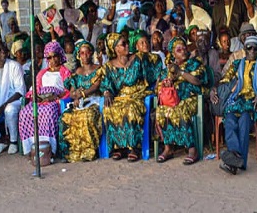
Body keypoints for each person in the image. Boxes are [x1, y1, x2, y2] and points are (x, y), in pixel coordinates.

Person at [214, 36, 257, 175]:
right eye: (249, 47)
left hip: (254, 101)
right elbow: (225, 80)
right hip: (237, 100)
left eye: (255, 48)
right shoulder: (237, 64)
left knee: (245, 120)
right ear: (244, 49)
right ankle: (236, 156)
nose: (252, 50)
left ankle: (237, 162)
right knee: (229, 119)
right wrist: (217, 88)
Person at [96, 33, 152, 162]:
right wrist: (107, 92)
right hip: (119, 97)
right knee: (109, 109)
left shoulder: (137, 59)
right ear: (115, 48)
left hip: (136, 95)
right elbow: (105, 84)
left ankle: (134, 147)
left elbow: (150, 74)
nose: (127, 45)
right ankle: (119, 147)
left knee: (131, 109)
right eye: (123, 44)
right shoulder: (109, 66)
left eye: (127, 43)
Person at [155, 37, 208, 165]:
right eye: (179, 50)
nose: (183, 51)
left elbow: (197, 80)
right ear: (173, 53)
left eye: (184, 48)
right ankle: (168, 148)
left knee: (181, 110)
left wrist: (180, 72)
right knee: (162, 111)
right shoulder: (168, 68)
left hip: (192, 98)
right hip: (173, 101)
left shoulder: (194, 63)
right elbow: (158, 88)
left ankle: (192, 149)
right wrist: (166, 84)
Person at [18, 41, 70, 157]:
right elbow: (35, 88)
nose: (53, 60)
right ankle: (31, 148)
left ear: (59, 55)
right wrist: (35, 96)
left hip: (54, 100)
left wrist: (56, 97)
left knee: (48, 112)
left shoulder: (65, 72)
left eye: (55, 56)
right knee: (25, 112)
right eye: (49, 57)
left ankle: (49, 149)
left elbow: (68, 90)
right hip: (41, 99)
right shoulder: (42, 73)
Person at [58, 40, 103, 162]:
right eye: (82, 53)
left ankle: (88, 152)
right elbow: (72, 92)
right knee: (64, 117)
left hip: (95, 101)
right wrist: (76, 96)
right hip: (80, 102)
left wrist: (83, 93)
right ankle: (71, 152)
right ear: (79, 55)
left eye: (87, 53)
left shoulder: (98, 69)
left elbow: (96, 86)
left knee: (87, 116)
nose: (85, 56)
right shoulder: (77, 72)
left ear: (91, 53)